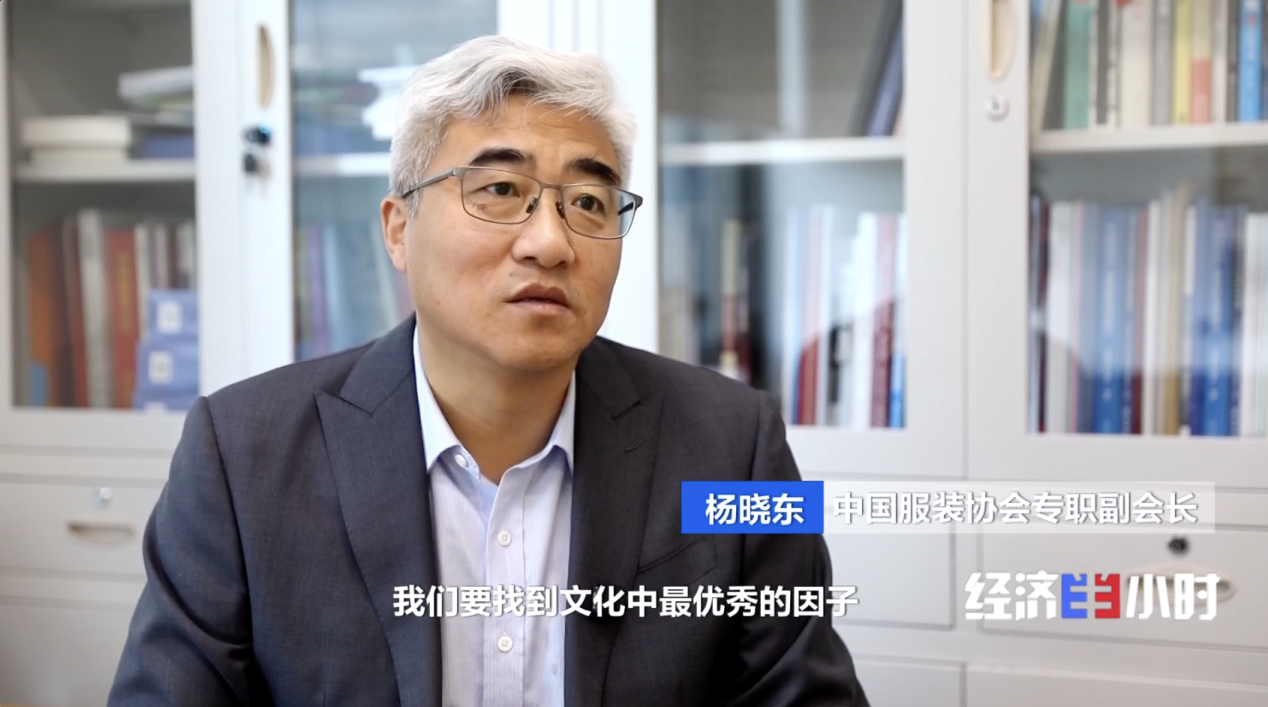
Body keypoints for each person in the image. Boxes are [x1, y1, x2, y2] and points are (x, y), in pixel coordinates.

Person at [108, 35, 869, 707]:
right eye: (502, 190)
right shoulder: (240, 456)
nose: (550, 242)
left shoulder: (740, 448)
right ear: (398, 230)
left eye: (588, 201)